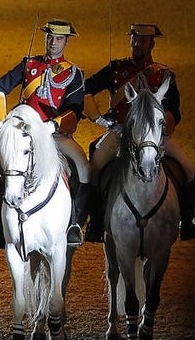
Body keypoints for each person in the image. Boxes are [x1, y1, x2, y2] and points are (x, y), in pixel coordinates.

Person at [0, 19, 88, 248]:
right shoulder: (29, 65)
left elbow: (75, 109)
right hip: (23, 133)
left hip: (54, 134)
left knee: (83, 166)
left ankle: (74, 224)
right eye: (49, 37)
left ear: (66, 42)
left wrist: (54, 126)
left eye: (58, 39)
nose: (53, 43)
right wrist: (4, 121)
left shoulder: (74, 73)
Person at [83, 24, 194, 241]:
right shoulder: (116, 68)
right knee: (95, 167)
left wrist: (164, 126)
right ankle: (96, 222)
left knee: (189, 170)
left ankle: (188, 220)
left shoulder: (164, 75)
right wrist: (98, 117)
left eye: (142, 40)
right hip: (121, 132)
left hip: (154, 135)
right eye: (134, 39)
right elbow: (87, 88)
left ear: (152, 44)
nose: (137, 44)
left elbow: (174, 110)